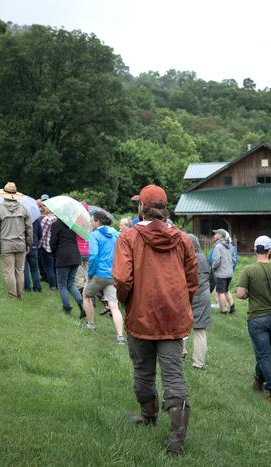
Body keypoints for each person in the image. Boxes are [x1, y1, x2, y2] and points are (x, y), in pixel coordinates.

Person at [113, 184, 198, 456]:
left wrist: (127, 301)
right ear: (164, 208)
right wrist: (182, 305)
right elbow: (192, 281)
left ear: (142, 208)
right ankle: (177, 438)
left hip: (141, 316)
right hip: (173, 318)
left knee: (143, 371)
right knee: (174, 376)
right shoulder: (182, 239)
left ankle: (148, 417)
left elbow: (123, 279)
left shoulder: (129, 237)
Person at [236, 235, 271, 404]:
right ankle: (258, 380)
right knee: (266, 352)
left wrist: (250, 293)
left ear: (255, 249)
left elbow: (240, 294)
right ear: (270, 250)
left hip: (257, 318)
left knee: (263, 354)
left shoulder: (249, 270)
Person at [82, 210, 124, 342]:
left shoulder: (94, 235)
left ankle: (90, 324)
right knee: (114, 305)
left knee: (86, 295)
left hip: (100, 274)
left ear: (97, 222)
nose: (90, 222)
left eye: (92, 220)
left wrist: (89, 274)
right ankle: (120, 337)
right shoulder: (115, 233)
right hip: (113, 274)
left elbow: (93, 256)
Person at [0, 182, 33, 299]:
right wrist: (29, 243)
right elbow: (29, 228)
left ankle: (13, 295)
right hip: (20, 244)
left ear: (3, 195)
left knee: (9, 271)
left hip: (6, 245)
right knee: (19, 271)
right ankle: (20, 294)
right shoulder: (23, 208)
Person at [185, 233, 213, 370]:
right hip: (203, 294)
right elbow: (212, 278)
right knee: (200, 330)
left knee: (180, 325)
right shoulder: (204, 258)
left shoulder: (183, 257)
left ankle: (181, 352)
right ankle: (199, 363)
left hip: (185, 294)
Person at [50, 216, 85, 316]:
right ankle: (82, 306)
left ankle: (66, 309)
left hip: (63, 256)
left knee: (62, 284)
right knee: (70, 283)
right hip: (75, 256)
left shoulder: (56, 224)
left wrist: (54, 253)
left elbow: (53, 241)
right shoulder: (72, 225)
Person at [211, 228, 235, 314]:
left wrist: (212, 267)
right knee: (226, 290)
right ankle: (232, 306)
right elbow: (232, 258)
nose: (214, 235)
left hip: (221, 273)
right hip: (229, 272)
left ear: (220, 236)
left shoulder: (218, 246)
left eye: (216, 234)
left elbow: (217, 260)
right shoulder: (229, 246)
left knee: (220, 292)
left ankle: (223, 310)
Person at [38, 201, 58, 290]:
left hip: (46, 246)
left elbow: (41, 234)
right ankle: (57, 285)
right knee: (55, 266)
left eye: (45, 206)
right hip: (55, 245)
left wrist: (38, 245)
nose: (43, 208)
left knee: (48, 267)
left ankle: (53, 286)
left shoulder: (47, 219)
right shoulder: (57, 218)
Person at [24, 216, 42, 292]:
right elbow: (40, 232)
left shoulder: (20, 218)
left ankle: (27, 287)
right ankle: (37, 287)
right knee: (34, 268)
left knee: (24, 268)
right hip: (34, 244)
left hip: (23, 245)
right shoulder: (36, 218)